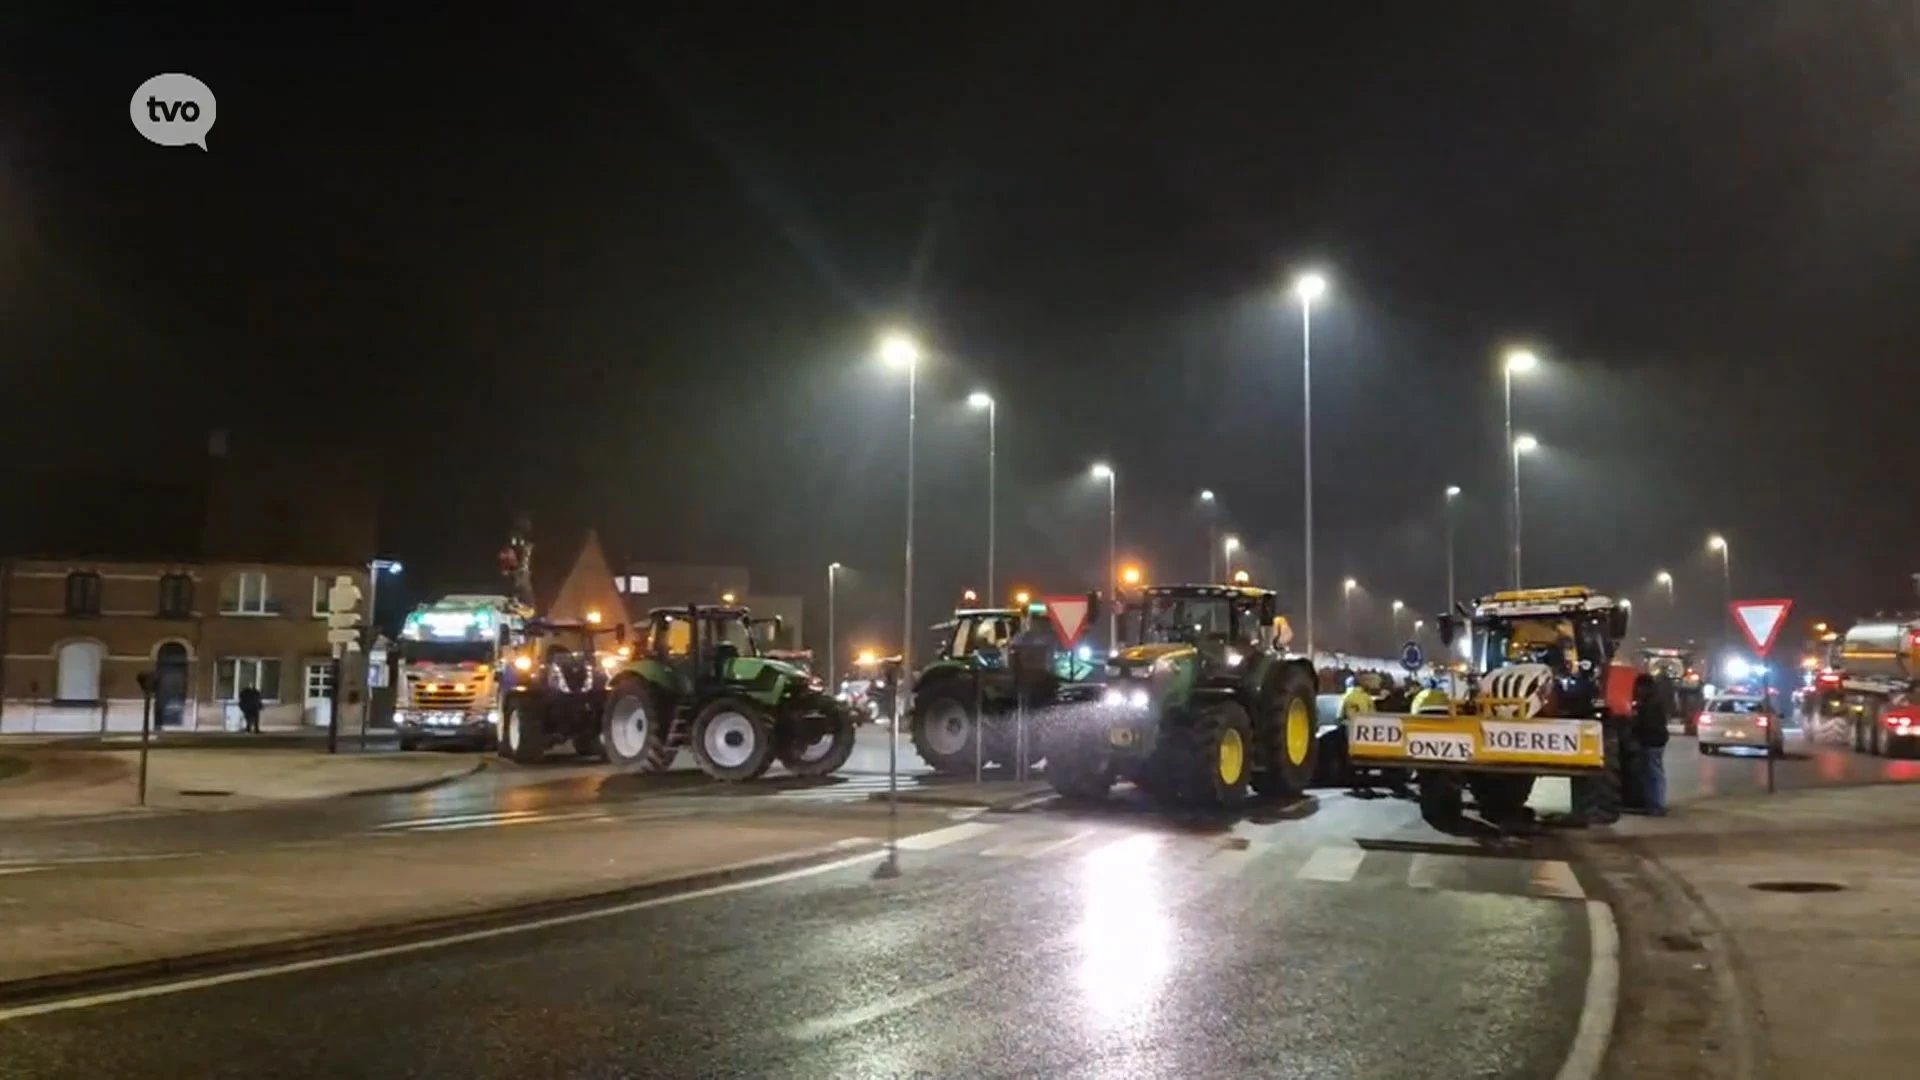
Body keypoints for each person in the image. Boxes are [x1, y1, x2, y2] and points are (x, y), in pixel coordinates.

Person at [1634, 676, 1670, 815]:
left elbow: (1647, 724)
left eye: (1639, 687)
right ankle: (1654, 804)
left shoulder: (1650, 704)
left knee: (1653, 774)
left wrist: (1636, 729)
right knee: (1654, 773)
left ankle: (1656, 806)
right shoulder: (1655, 701)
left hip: (1652, 741)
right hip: (1657, 740)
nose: (1637, 690)